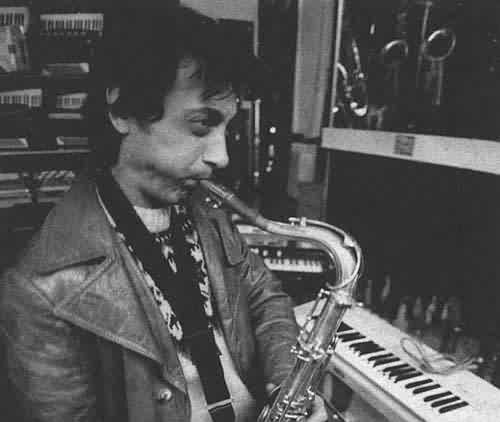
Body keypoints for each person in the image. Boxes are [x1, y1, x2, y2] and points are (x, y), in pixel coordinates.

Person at [0, 6, 327, 422]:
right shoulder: (37, 292)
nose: (222, 156)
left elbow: (264, 298)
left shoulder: (208, 216)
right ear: (122, 111)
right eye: (201, 125)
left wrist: (286, 385)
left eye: (227, 128)